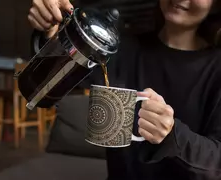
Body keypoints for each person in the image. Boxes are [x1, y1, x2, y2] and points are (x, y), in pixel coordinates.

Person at [27, 0, 221, 179]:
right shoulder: (121, 49)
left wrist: (172, 135)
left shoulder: (216, 68)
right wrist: (51, 34)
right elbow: (45, 93)